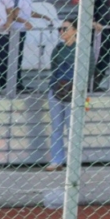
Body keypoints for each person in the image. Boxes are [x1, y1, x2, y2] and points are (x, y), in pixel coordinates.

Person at [46, 17, 78, 173]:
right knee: (56, 127)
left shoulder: (81, 48)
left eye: (65, 29)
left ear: (75, 30)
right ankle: (57, 160)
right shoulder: (58, 48)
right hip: (57, 89)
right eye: (60, 29)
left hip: (74, 91)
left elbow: (90, 68)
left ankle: (73, 161)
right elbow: (54, 66)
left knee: (73, 128)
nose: (61, 31)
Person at [13, 0, 36, 93]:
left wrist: (44, 16)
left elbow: (28, 12)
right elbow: (14, 15)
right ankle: (14, 84)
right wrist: (25, 22)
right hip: (16, 30)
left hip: (22, 30)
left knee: (19, 57)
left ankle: (18, 83)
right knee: (15, 58)